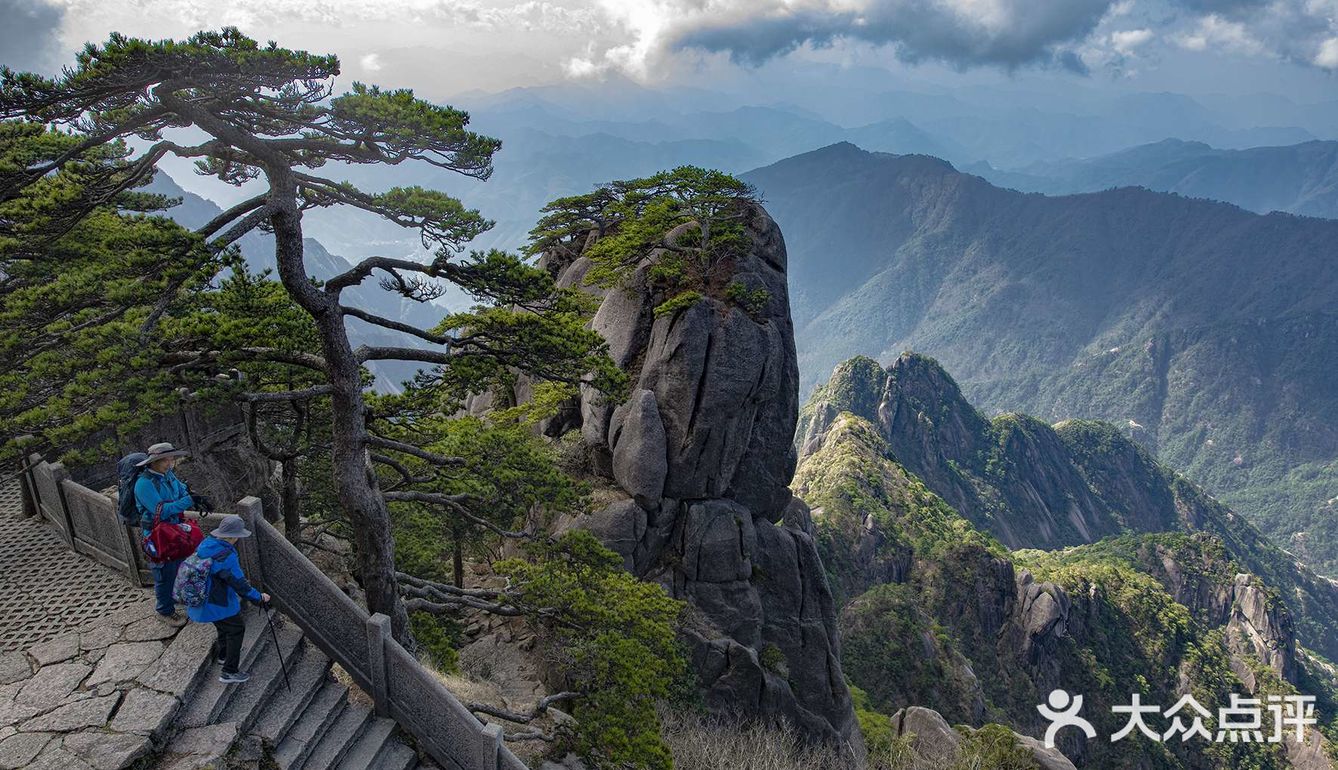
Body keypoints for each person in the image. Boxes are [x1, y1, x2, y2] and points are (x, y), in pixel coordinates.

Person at [188, 514, 271, 684]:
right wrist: (259, 597)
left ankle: (224, 654)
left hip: (203, 598)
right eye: (238, 536)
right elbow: (240, 584)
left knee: (223, 626)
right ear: (233, 537)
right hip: (217, 601)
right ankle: (229, 671)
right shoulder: (227, 556)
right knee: (236, 628)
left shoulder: (207, 544)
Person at [133, 442, 198, 625]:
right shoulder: (143, 484)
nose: (170, 463)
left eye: (171, 459)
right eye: (165, 460)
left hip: (175, 529)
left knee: (179, 565)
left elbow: (181, 491)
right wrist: (187, 501)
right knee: (163, 572)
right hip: (156, 535)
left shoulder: (167, 475)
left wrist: (189, 498)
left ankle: (176, 597)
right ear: (153, 461)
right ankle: (164, 610)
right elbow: (160, 510)